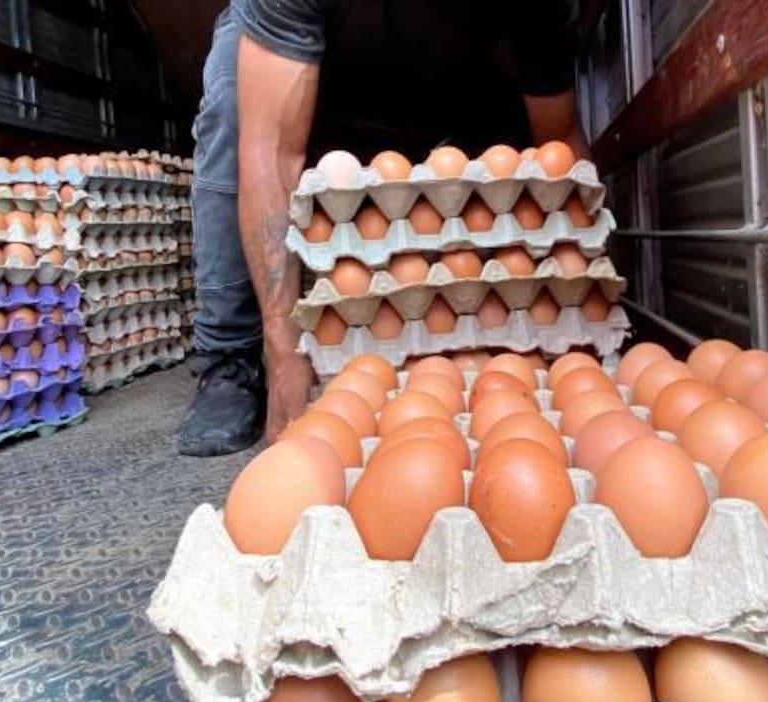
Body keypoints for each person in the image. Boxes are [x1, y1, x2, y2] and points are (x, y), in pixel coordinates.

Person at [178, 0, 589, 456]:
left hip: (442, 77)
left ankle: (470, 324)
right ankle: (230, 357)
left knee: (509, 138)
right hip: (307, 64)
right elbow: (271, 152)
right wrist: (282, 346)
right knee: (234, 100)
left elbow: (557, 142)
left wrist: (579, 293)